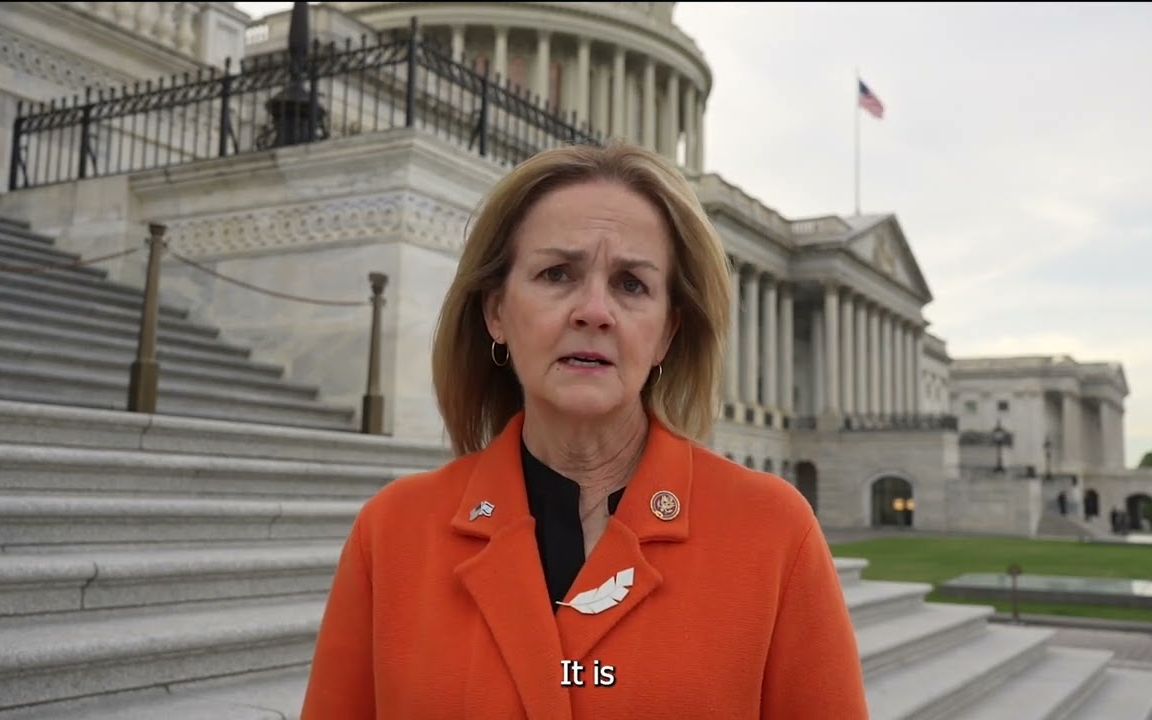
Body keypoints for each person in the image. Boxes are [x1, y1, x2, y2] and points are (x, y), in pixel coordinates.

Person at [300, 140, 868, 719]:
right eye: (557, 274)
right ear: (496, 312)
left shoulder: (773, 533)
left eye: (631, 284)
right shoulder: (392, 533)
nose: (594, 311)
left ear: (667, 333)